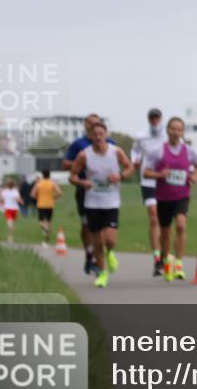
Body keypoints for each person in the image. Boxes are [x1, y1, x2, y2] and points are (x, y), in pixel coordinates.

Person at [68, 121, 133, 288]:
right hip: (92, 203)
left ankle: (111, 252)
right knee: (97, 241)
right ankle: (102, 273)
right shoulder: (84, 154)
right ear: (90, 136)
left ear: (106, 135)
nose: (98, 137)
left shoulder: (115, 151)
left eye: (101, 134)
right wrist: (82, 183)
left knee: (110, 239)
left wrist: (120, 176)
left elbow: (129, 167)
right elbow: (72, 176)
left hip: (111, 202)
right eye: (94, 134)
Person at [144, 117, 197, 281]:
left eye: (179, 129)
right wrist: (159, 174)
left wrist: (195, 176)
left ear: (182, 132)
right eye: (173, 129)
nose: (176, 132)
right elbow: (146, 172)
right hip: (163, 197)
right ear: (168, 130)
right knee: (165, 233)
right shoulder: (158, 151)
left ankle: (179, 264)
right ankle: (165, 259)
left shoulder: (189, 151)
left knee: (182, 226)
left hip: (182, 196)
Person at [64, 114, 116, 275]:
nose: (95, 127)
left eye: (98, 124)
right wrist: (84, 163)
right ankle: (89, 253)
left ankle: (101, 253)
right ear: (86, 125)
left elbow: (120, 163)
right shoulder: (78, 144)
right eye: (91, 124)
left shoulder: (111, 144)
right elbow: (66, 163)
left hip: (107, 190)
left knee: (106, 232)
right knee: (87, 225)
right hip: (85, 189)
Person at [132, 107, 168, 275]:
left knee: (164, 222)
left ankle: (164, 256)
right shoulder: (141, 136)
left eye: (157, 118)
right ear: (148, 119)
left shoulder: (169, 135)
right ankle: (156, 258)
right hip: (148, 180)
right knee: (153, 217)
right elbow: (135, 151)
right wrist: (135, 160)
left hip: (166, 182)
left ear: (161, 118)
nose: (155, 121)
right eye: (152, 118)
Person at [31, 169, 62, 247]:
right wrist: (54, 197)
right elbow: (59, 192)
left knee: (41, 222)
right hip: (50, 205)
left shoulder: (39, 183)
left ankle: (45, 230)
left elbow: (32, 194)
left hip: (41, 204)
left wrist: (37, 197)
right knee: (48, 222)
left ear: (42, 175)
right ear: (49, 175)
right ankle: (46, 241)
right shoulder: (52, 183)